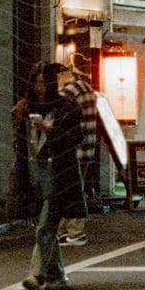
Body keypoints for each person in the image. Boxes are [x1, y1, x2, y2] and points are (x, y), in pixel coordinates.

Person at [20, 61, 86, 290]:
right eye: (35, 82)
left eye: (42, 82)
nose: (39, 87)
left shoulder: (66, 107)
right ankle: (56, 275)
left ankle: (36, 275)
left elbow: (76, 137)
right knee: (47, 228)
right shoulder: (30, 108)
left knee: (45, 227)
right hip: (40, 177)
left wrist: (52, 131)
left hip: (61, 175)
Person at [56, 60, 95, 247]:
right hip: (86, 147)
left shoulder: (71, 90)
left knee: (72, 191)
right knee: (72, 190)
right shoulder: (86, 87)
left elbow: (54, 109)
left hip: (74, 149)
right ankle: (64, 230)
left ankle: (75, 232)